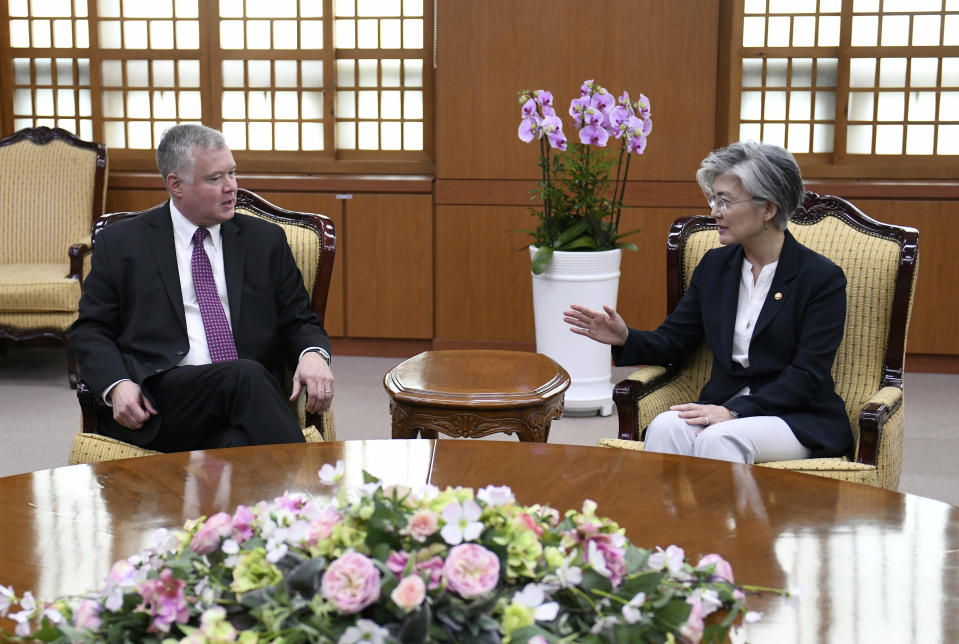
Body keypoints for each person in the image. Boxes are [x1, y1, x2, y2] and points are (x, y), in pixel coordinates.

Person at [564, 142, 851, 464]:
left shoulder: (820, 278)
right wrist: (625, 337)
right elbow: (675, 342)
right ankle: (663, 517)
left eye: (725, 201)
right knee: (664, 428)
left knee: (721, 438)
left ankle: (727, 518)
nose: (714, 211)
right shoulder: (716, 267)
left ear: (768, 209)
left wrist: (734, 410)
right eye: (713, 199)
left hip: (795, 415)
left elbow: (808, 374)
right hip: (722, 405)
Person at [69, 124, 334, 451]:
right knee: (242, 377)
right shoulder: (123, 243)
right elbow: (90, 329)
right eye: (215, 178)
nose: (231, 187)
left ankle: (281, 499)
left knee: (235, 441)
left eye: (233, 173)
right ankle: (314, 493)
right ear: (175, 184)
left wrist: (312, 355)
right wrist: (117, 384)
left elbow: (299, 319)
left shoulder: (265, 241)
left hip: (249, 402)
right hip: (163, 402)